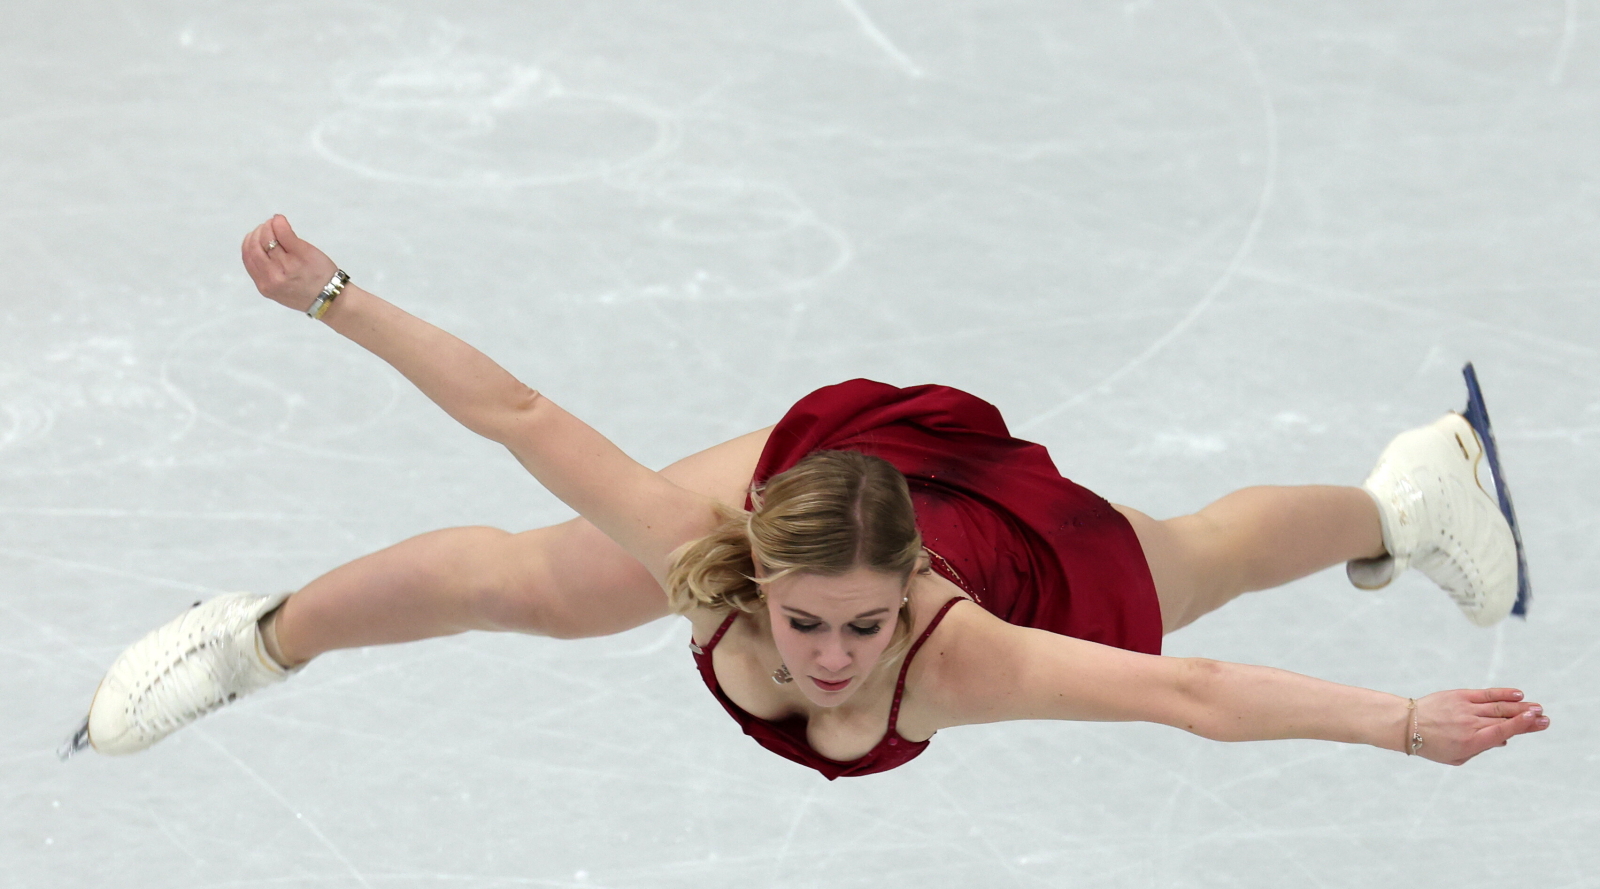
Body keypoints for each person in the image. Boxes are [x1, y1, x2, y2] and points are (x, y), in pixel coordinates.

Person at [63, 216, 1547, 774]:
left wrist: (1403, 724)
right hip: (837, 480)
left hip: (1000, 543)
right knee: (530, 581)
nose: (835, 659)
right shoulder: (712, 554)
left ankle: (1408, 497)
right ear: (756, 574)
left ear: (906, 597)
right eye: (807, 622)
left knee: (1188, 567)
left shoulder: (968, 653)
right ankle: (255, 639)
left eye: (860, 628)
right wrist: (332, 296)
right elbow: (512, 412)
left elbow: (1195, 695)